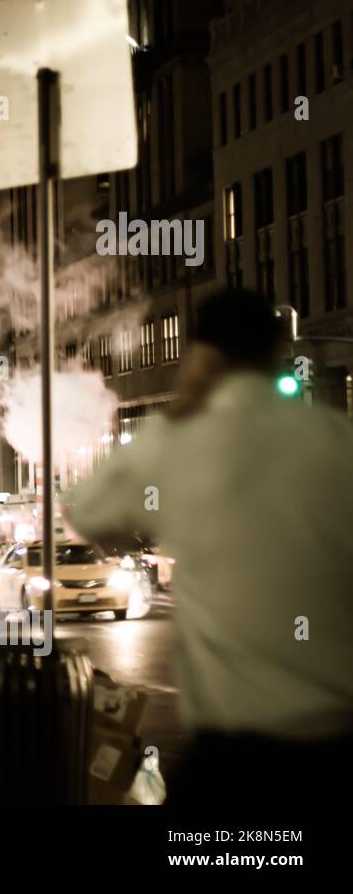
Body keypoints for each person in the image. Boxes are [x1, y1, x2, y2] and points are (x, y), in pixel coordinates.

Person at [64, 288, 353, 805]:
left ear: (203, 357)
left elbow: (83, 509)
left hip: (235, 758)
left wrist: (181, 408)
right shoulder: (335, 439)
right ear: (274, 352)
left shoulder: (178, 442)